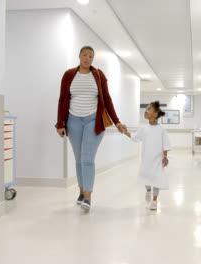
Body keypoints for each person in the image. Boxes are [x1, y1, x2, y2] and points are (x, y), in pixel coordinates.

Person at [56, 45, 127, 212]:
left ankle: (88, 197)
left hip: (93, 120)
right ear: (79, 56)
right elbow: (62, 99)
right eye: (85, 55)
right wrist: (61, 123)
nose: (88, 58)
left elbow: (107, 99)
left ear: (93, 59)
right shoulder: (68, 75)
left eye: (91, 56)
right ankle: (81, 192)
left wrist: (116, 121)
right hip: (73, 120)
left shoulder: (98, 75)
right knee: (79, 159)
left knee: (87, 159)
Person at [123, 101, 172, 210]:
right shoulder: (144, 128)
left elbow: (165, 145)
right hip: (146, 160)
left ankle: (154, 200)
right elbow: (135, 137)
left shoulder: (161, 130)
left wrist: (165, 157)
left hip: (158, 160)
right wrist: (125, 132)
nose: (146, 111)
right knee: (146, 178)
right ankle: (148, 190)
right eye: (147, 108)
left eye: (149, 109)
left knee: (157, 179)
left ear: (155, 114)